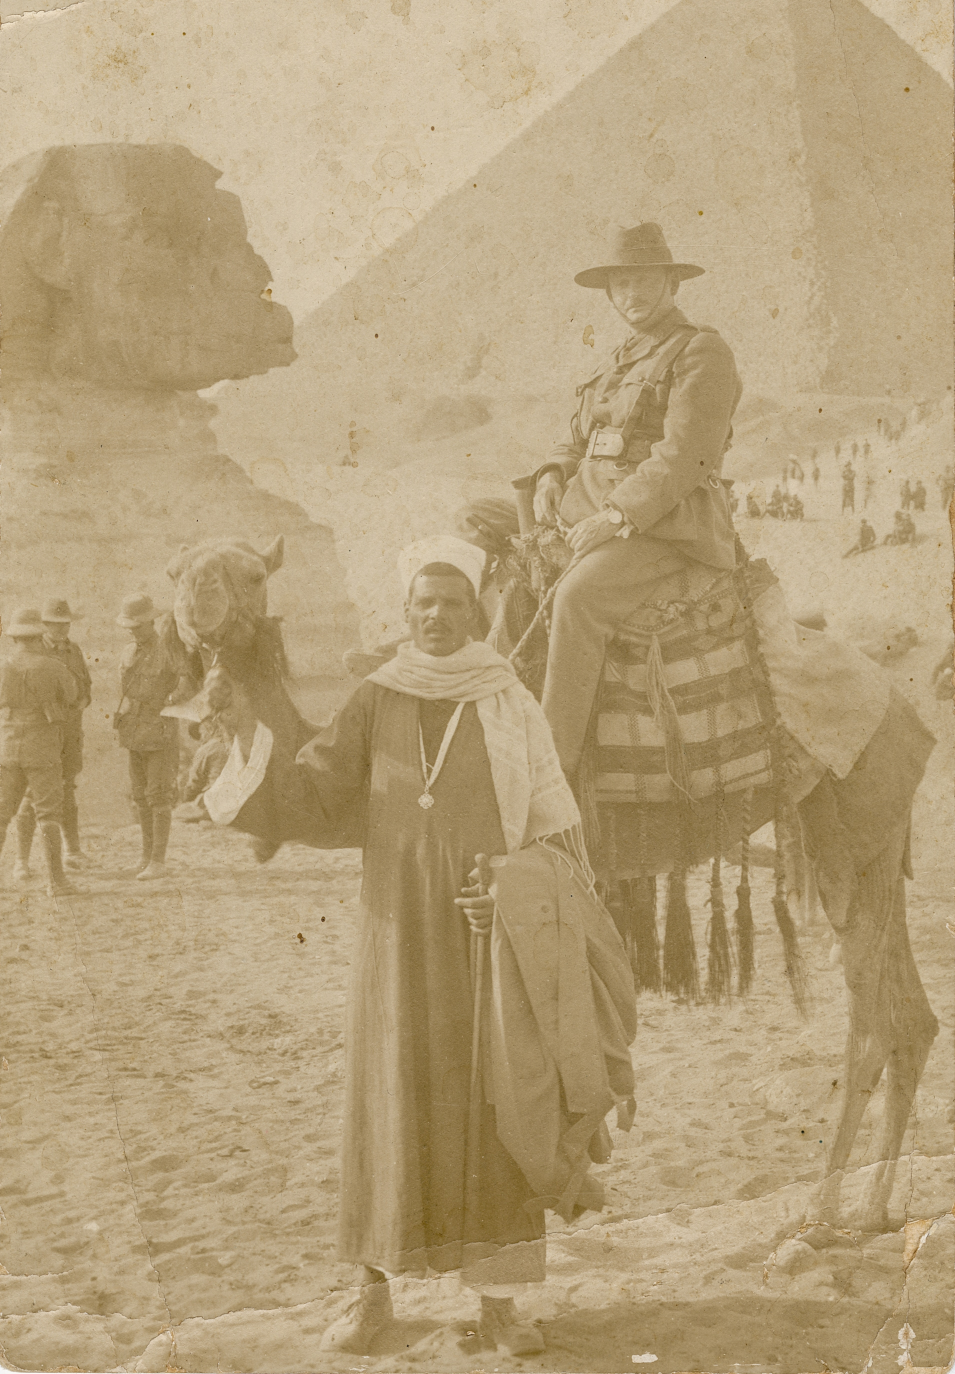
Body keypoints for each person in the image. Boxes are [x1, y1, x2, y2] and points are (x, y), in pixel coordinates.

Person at [203, 537, 631, 1357]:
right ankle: (371, 1297)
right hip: (395, 940)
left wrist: (509, 887)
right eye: (422, 605)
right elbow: (319, 795)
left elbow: (559, 837)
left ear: (475, 613)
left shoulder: (511, 703)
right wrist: (243, 741)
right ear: (404, 616)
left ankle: (499, 1305)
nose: (436, 616)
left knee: (497, 1106)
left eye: (452, 604)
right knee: (384, 1100)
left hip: (485, 946)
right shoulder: (375, 698)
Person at [526, 223, 741, 779]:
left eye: (643, 280)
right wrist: (553, 471)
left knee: (577, 599)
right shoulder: (617, 359)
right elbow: (578, 435)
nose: (631, 296)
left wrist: (618, 516)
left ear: (671, 282)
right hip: (588, 506)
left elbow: (686, 455)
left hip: (668, 525)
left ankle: (553, 776)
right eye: (619, 286)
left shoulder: (701, 351)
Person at [0, 608, 78, 892]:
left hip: (8, 745)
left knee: (2, 812)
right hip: (42, 746)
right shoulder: (54, 666)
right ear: (38, 635)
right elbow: (71, 696)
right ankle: (56, 881)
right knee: (48, 813)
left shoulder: (3, 666)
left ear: (15, 638)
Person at [13, 599, 91, 879]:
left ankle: (73, 851)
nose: (61, 630)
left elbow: (85, 688)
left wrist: (81, 702)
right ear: (42, 627)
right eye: (54, 625)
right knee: (32, 795)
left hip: (69, 733)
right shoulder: (34, 652)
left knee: (67, 789)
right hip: (42, 735)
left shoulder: (74, 650)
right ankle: (21, 860)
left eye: (65, 624)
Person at [115, 594, 181, 880]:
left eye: (137, 626)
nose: (132, 631)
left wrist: (167, 703)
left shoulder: (168, 651)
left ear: (151, 622)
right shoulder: (129, 652)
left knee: (158, 795)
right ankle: (145, 857)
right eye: (130, 627)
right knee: (140, 796)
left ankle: (158, 860)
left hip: (159, 731)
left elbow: (185, 687)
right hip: (134, 730)